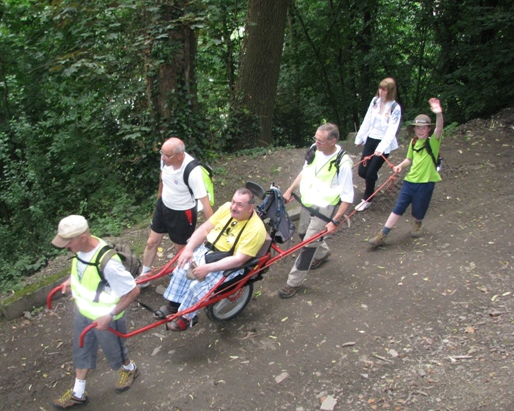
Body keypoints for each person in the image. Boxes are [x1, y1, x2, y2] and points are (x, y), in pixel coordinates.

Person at [51, 215, 141, 410]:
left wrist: (109, 316)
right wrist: (71, 281)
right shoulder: (81, 249)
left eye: (69, 242)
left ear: (83, 237)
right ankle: (78, 393)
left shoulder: (109, 263)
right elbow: (84, 271)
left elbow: (133, 291)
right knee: (81, 350)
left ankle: (130, 369)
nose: (66, 246)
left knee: (115, 353)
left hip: (106, 317)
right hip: (83, 312)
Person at [154, 188, 267, 331]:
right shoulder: (226, 208)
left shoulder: (256, 230)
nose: (233, 207)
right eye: (233, 202)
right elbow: (204, 229)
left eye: (239, 205)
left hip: (227, 264)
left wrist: (208, 268)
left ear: (250, 208)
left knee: (197, 286)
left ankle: (188, 317)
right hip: (206, 250)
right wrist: (188, 249)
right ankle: (174, 305)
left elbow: (239, 260)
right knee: (181, 269)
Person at [278, 123, 354, 299]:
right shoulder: (314, 150)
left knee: (308, 245)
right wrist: (290, 190)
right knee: (303, 233)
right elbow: (304, 172)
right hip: (308, 202)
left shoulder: (342, 162)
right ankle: (323, 252)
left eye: (320, 141)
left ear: (332, 140)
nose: (316, 143)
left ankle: (293, 283)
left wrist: (335, 220)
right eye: (315, 139)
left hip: (325, 208)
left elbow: (347, 197)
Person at [368, 98, 444, 247]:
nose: (420, 130)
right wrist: (400, 166)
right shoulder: (413, 142)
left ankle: (418, 223)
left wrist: (438, 113)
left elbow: (439, 129)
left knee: (419, 208)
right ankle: (382, 234)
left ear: (428, 129)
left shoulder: (433, 142)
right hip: (410, 181)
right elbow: (409, 159)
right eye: (418, 128)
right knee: (399, 207)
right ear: (414, 129)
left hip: (426, 183)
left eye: (423, 128)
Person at [139, 137, 214, 287]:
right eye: (162, 153)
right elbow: (162, 177)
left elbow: (204, 203)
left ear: (180, 155)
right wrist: (159, 197)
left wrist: (213, 229)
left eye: (167, 155)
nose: (163, 158)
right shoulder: (165, 160)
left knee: (180, 248)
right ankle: (144, 276)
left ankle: (182, 278)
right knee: (151, 242)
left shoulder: (192, 171)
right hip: (163, 206)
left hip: (182, 213)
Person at [354, 77, 402, 211]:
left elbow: (392, 130)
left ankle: (367, 199)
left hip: (384, 143)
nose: (381, 91)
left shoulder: (395, 108)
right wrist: (360, 138)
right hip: (371, 139)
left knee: (370, 174)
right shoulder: (375, 101)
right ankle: (373, 177)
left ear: (390, 91)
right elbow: (367, 120)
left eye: (384, 90)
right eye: (380, 88)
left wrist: (381, 148)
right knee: (363, 171)